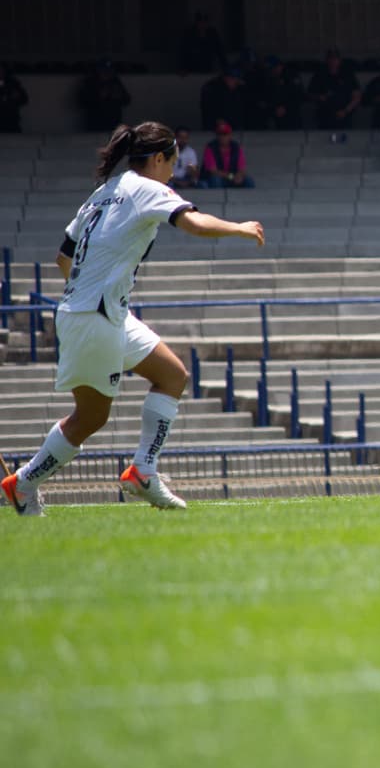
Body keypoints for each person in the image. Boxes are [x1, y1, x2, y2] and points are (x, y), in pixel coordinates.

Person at [1, 122, 264, 517]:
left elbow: (63, 259)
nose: (172, 173)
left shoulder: (102, 194)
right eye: (171, 163)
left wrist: (95, 289)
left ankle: (142, 470)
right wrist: (240, 228)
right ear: (158, 159)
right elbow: (194, 223)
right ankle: (23, 484)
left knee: (173, 375)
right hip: (94, 317)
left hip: (101, 311)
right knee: (91, 417)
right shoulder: (147, 188)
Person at [199, 122, 254, 188]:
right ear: (217, 135)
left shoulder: (236, 147)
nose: (223, 137)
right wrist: (231, 176)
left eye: (225, 134)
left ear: (230, 135)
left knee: (249, 181)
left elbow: (241, 168)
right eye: (220, 134)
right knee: (216, 181)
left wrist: (239, 176)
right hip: (217, 177)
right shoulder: (210, 147)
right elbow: (213, 171)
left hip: (233, 177)